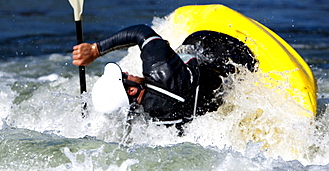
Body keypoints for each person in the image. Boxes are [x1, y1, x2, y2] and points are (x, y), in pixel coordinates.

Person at [72, 24, 255, 127]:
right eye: (124, 76)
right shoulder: (159, 69)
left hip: (211, 104)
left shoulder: (149, 123)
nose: (126, 72)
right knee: (188, 45)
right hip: (234, 57)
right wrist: (96, 49)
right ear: (133, 90)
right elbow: (140, 32)